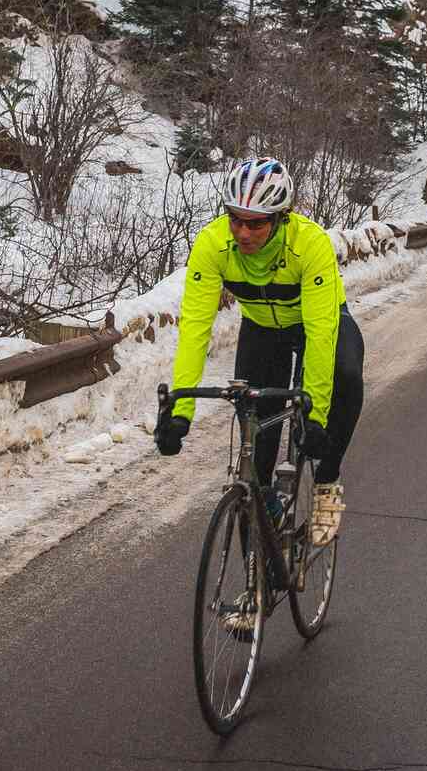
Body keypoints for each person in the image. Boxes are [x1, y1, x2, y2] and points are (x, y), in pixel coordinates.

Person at [154, 154, 364, 546]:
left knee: (347, 377)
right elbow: (196, 328)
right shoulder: (213, 244)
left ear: (281, 217)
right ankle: (258, 578)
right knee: (257, 436)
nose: (243, 232)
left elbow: (320, 333)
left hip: (316, 321)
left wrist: (316, 414)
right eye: (235, 218)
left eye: (255, 223)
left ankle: (327, 480)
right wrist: (180, 409)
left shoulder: (310, 244)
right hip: (262, 328)